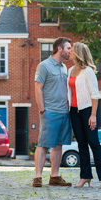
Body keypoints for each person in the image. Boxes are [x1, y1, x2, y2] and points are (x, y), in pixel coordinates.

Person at [32, 37, 73, 189]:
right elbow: (38, 87)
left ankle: (54, 176)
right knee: (43, 144)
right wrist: (42, 109)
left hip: (64, 112)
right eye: (68, 48)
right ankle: (37, 177)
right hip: (50, 112)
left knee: (58, 145)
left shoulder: (64, 68)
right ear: (60, 49)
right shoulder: (44, 66)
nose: (70, 51)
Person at [68, 42, 101, 189]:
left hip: (87, 111)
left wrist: (93, 115)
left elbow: (95, 95)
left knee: (94, 143)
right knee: (81, 144)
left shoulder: (88, 71)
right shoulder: (70, 70)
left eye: (72, 50)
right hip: (74, 111)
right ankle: (85, 176)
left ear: (78, 53)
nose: (70, 52)